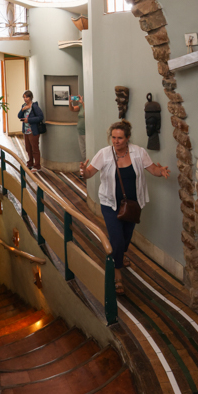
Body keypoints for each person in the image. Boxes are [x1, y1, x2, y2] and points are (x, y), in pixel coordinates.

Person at [80, 120, 169, 295]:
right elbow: (90, 173)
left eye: (120, 138)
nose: (116, 141)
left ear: (127, 138)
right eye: (113, 137)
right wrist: (83, 172)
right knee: (117, 239)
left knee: (126, 237)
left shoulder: (138, 152)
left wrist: (161, 172)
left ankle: (119, 255)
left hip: (133, 205)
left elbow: (153, 170)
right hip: (110, 203)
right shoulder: (104, 154)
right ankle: (117, 273)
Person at [18, 90, 44, 172]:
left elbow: (40, 117)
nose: (25, 99)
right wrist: (22, 110)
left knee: (34, 148)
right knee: (28, 148)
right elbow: (19, 116)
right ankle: (30, 163)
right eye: (24, 97)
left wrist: (29, 120)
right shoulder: (24, 106)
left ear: (31, 97)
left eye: (27, 97)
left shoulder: (34, 106)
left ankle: (37, 165)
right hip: (26, 130)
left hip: (33, 131)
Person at [69, 94, 86, 161]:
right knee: (83, 151)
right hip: (80, 132)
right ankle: (85, 167)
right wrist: (70, 103)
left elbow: (86, 113)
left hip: (87, 132)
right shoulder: (81, 106)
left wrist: (83, 103)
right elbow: (72, 109)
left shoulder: (85, 106)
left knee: (88, 150)